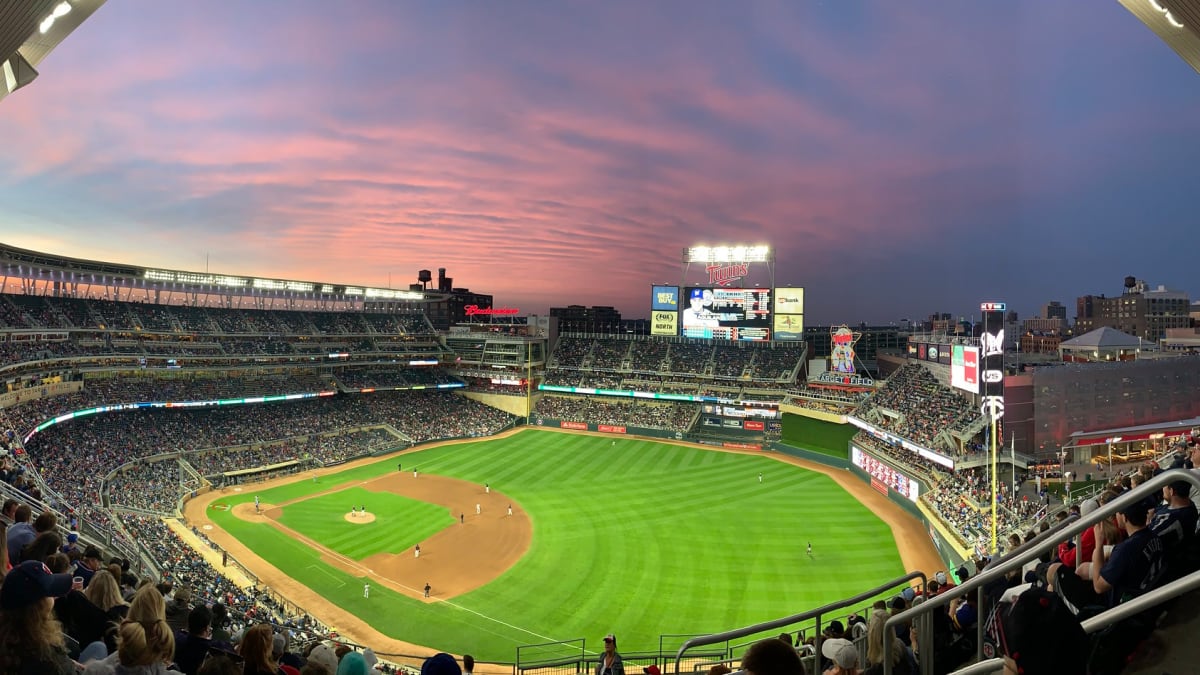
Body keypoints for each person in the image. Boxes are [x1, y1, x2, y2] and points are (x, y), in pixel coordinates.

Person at [0, 560, 77, 674]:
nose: (54, 598)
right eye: (50, 594)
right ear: (39, 609)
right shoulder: (52, 664)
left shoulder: (8, 637)